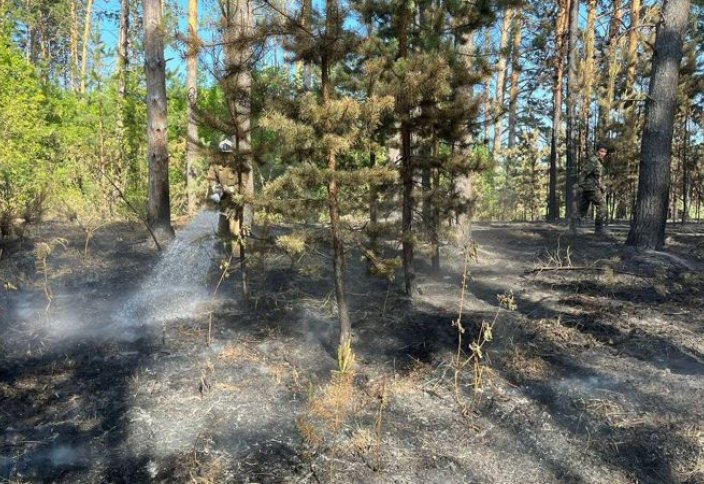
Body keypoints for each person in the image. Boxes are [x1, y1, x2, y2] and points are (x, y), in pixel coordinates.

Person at [577, 144, 609, 235]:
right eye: (601, 151)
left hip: (590, 187)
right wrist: (580, 184)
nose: (603, 153)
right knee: (602, 206)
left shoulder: (598, 162)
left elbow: (597, 177)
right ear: (597, 151)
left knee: (583, 208)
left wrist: (602, 187)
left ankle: (573, 227)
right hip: (590, 188)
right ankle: (599, 229)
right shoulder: (593, 160)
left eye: (605, 152)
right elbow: (584, 172)